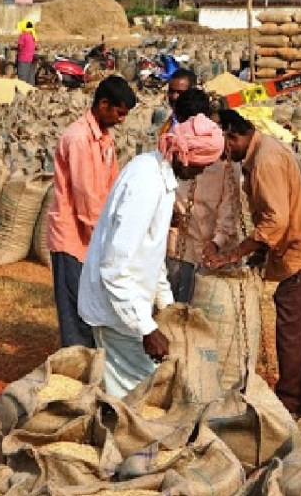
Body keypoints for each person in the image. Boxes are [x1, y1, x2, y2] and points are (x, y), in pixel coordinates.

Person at [77, 112, 225, 397]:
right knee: (140, 395)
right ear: (186, 156)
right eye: (201, 165)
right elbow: (114, 268)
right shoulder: (146, 184)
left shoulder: (159, 175)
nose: (200, 173)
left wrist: (168, 309)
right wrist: (147, 329)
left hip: (129, 307)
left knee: (145, 390)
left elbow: (151, 256)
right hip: (117, 311)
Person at [207, 109, 301, 418]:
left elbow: (276, 220)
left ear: (233, 136)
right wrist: (259, 254)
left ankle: (292, 404)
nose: (223, 151)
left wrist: (235, 254)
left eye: (224, 142)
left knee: (293, 330)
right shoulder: (264, 150)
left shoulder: (264, 160)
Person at [48, 76, 137, 349]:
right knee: (76, 309)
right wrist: (105, 238)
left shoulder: (104, 139)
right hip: (74, 237)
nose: (122, 120)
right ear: (103, 104)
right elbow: (85, 196)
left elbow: (113, 184)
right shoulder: (78, 139)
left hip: (94, 235)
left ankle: (93, 362)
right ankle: (78, 369)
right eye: (119, 113)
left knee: (92, 306)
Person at [165, 89, 241, 303]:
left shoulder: (223, 156)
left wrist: (217, 242)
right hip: (180, 246)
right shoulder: (172, 148)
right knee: (176, 309)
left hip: (216, 249)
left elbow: (230, 208)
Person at [159, 68, 197, 135]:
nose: (174, 97)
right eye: (171, 91)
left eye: (180, 92)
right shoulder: (171, 121)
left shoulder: (199, 126)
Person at [17, 21, 37, 85]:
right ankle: (31, 89)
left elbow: (20, 46)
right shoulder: (33, 35)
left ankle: (22, 89)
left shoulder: (23, 36)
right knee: (30, 75)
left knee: (22, 76)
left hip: (23, 58)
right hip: (31, 58)